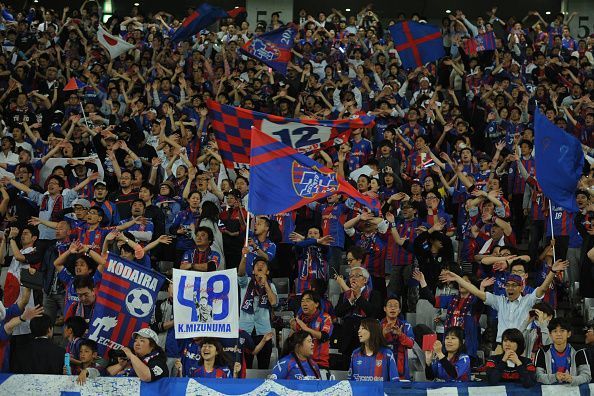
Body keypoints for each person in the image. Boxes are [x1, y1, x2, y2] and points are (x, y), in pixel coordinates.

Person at [439, 259, 568, 349]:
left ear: (521, 288)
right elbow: (477, 293)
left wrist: (552, 272)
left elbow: (543, 289)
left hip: (521, 346)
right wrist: (457, 279)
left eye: (513, 286)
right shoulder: (499, 301)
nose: (510, 288)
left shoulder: (528, 300)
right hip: (502, 345)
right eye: (507, 285)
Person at [238, 252, 277, 369]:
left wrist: (265, 284)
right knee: (245, 367)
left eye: (263, 264)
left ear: (267, 271)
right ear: (253, 271)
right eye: (257, 265)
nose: (260, 265)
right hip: (245, 331)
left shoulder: (271, 285)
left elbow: (274, 302)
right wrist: (244, 257)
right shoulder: (246, 283)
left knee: (264, 368)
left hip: (264, 332)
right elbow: (240, 273)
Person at [335, 266, 382, 358]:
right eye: (351, 276)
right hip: (347, 339)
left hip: (366, 339)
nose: (353, 278)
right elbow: (337, 312)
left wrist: (359, 297)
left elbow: (373, 313)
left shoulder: (374, 294)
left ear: (365, 280)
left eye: (357, 276)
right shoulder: (345, 295)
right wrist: (350, 301)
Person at [534, 317, 591, 386]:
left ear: (569, 334)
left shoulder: (579, 351)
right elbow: (537, 376)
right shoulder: (542, 351)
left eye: (562, 330)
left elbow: (587, 376)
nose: (558, 334)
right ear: (550, 334)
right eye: (555, 331)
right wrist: (554, 377)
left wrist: (572, 379)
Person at [290, 290, 333, 372]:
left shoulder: (325, 318)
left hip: (319, 364)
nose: (304, 304)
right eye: (302, 301)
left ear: (316, 304)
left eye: (308, 301)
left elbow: (324, 336)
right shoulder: (299, 319)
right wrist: (293, 327)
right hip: (300, 363)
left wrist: (305, 328)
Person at [380, 297, 415, 380]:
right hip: (382, 367)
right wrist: (383, 334)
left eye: (396, 306)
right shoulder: (378, 325)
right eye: (390, 306)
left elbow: (411, 344)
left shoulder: (406, 326)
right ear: (384, 309)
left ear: (399, 310)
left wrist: (400, 334)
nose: (393, 308)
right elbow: (372, 344)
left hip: (401, 370)